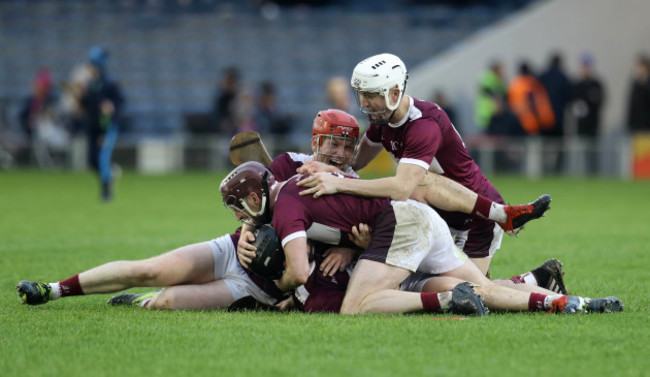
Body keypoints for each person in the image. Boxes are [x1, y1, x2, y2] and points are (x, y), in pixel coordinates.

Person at [14, 109, 364, 311]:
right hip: (233, 251)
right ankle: (53, 289)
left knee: (168, 302)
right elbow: (255, 203)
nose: (338, 151)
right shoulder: (291, 163)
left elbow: (375, 233)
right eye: (333, 141)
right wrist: (245, 232)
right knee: (150, 269)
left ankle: (138, 302)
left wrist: (350, 247)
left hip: (268, 286)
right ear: (317, 140)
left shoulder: (357, 187)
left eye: (346, 145)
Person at [225, 161, 622, 315]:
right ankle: (574, 303)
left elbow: (296, 271)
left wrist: (280, 286)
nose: (241, 217)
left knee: (356, 307)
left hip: (399, 225)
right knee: (483, 287)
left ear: (256, 196)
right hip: (417, 220)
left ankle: (449, 300)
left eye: (240, 207)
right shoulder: (301, 177)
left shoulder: (289, 204)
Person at [298, 53, 553, 282]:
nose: (364, 102)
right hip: (439, 214)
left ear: (394, 93)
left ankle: (504, 221)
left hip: (475, 220)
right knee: (443, 288)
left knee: (470, 293)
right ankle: (538, 278)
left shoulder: (424, 124)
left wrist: (337, 182)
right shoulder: (382, 118)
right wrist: (318, 163)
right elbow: (355, 163)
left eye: (371, 95)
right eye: (362, 93)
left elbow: (401, 188)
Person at [81, 46, 125, 201]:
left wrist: (111, 108)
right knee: (91, 159)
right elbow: (87, 104)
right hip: (93, 126)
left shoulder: (109, 83)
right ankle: (111, 174)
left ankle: (106, 190)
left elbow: (119, 103)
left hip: (106, 126)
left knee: (102, 158)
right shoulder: (90, 84)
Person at [475, 61, 523, 136]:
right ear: (496, 70)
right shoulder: (490, 79)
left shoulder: (493, 80)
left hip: (490, 115)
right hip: (491, 115)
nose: (503, 72)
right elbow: (494, 94)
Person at [507, 61, 555, 135]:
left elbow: (510, 104)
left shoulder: (514, 84)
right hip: (533, 122)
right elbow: (535, 103)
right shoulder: (532, 83)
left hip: (518, 122)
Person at [570, 53, 605, 138]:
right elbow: (572, 102)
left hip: (593, 124)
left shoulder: (596, 84)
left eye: (587, 67)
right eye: (583, 67)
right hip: (581, 124)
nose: (585, 69)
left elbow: (599, 101)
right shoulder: (577, 85)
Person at [538, 52, 572, 137]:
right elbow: (569, 96)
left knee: (545, 145)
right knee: (559, 145)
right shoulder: (563, 78)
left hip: (544, 116)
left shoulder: (542, 77)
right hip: (559, 117)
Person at [626, 54, 650, 133]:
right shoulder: (635, 85)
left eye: (640, 66)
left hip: (646, 128)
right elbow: (631, 106)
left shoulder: (647, 85)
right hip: (635, 128)